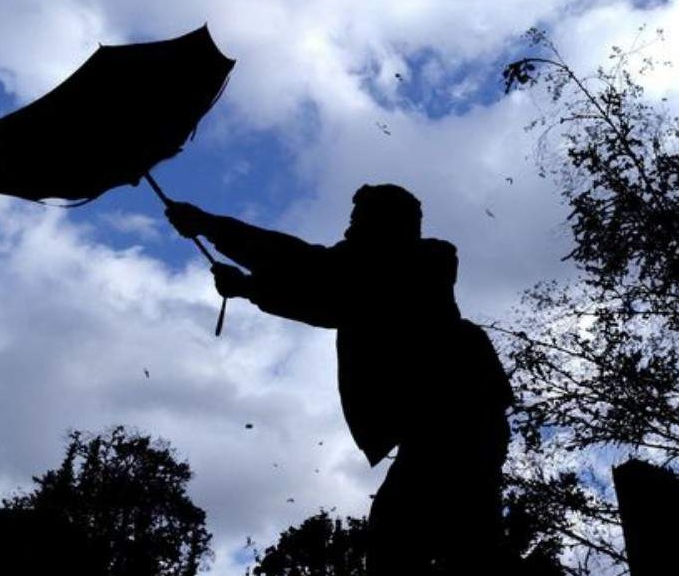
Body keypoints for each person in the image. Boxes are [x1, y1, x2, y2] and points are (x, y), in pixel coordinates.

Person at [165, 183, 514, 575]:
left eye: (360, 217)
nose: (350, 226)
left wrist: (215, 231)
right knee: (450, 541)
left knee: (406, 543)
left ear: (386, 223)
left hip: (455, 426)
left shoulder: (422, 261)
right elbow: (326, 293)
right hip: (451, 428)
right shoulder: (388, 269)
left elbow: (319, 278)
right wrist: (248, 286)